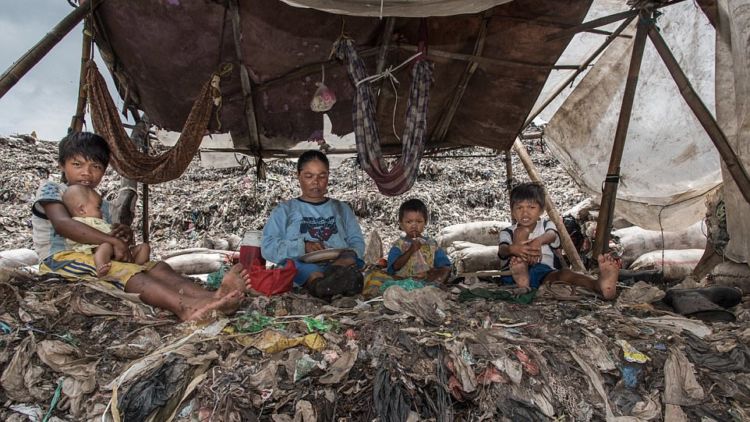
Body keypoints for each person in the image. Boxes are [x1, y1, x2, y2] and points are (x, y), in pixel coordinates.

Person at [32, 132, 247, 321]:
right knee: (127, 272)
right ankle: (186, 309)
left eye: (95, 167)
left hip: (100, 255)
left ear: (104, 170)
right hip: (61, 259)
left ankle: (212, 297)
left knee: (157, 267)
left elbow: (109, 238)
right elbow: (63, 224)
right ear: (62, 165)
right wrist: (111, 240)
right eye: (77, 165)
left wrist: (123, 236)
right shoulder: (53, 190)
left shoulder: (102, 204)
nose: (86, 173)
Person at [261, 150, 365, 300]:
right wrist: (303, 247)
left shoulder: (341, 209)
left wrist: (349, 255)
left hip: (338, 263)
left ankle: (334, 278)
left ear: (328, 176)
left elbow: (357, 242)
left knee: (349, 257)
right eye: (309, 176)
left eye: (322, 176)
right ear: (298, 176)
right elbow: (268, 247)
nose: (316, 182)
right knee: (301, 267)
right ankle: (320, 286)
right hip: (302, 265)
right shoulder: (285, 210)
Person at [497, 182, 618, 299]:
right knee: (521, 232)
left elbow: (552, 235)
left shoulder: (546, 225)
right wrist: (513, 249)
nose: (525, 212)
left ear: (541, 210)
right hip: (514, 273)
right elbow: (502, 251)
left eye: (531, 207)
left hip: (544, 273)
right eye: (519, 208)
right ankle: (522, 276)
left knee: (565, 274)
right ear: (512, 211)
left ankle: (598, 285)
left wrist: (538, 241)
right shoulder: (507, 232)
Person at [61, 184, 151, 276]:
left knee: (144, 247)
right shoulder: (79, 222)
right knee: (106, 245)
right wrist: (111, 238)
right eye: (98, 208)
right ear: (82, 210)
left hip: (118, 252)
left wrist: (122, 237)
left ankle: (138, 268)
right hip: (96, 251)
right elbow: (83, 236)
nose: (101, 212)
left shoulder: (101, 221)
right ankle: (101, 266)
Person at [387, 198, 451, 283]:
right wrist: (411, 250)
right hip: (405, 282)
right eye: (409, 222)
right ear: (401, 224)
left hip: (427, 281)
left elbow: (444, 265)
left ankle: (431, 286)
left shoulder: (432, 244)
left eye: (419, 221)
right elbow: (394, 267)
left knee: (445, 270)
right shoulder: (398, 245)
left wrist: (434, 271)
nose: (414, 226)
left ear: (425, 222)